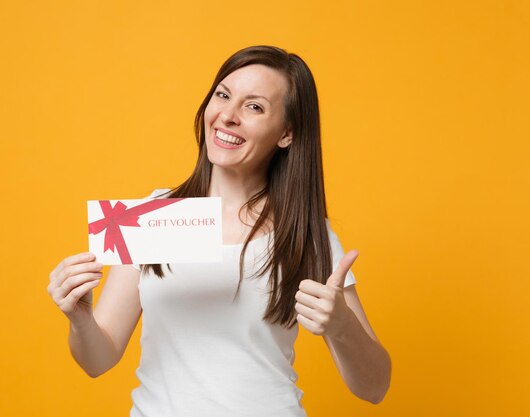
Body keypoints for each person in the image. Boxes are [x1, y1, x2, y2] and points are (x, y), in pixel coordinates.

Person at [47, 45, 391, 416]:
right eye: (223, 95)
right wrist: (81, 320)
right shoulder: (150, 217)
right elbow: (98, 360)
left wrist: (341, 326)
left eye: (254, 107)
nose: (228, 116)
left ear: (287, 134)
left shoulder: (304, 232)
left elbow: (375, 387)